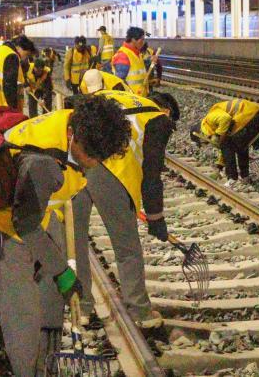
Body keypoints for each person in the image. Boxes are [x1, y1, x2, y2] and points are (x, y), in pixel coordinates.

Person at [0, 96, 131, 376]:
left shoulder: (75, 125)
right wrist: (62, 272)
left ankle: (46, 356)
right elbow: (26, 225)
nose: (95, 163)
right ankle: (27, 369)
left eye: (101, 157)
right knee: (22, 312)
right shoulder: (43, 163)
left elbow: (44, 201)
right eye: (91, 156)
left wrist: (57, 268)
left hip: (28, 204)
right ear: (74, 136)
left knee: (51, 290)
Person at [72, 85, 180, 325]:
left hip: (74, 160)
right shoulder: (157, 118)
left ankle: (82, 309)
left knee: (75, 241)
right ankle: (141, 312)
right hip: (111, 171)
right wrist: (156, 218)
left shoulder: (119, 96)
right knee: (127, 248)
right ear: (166, 111)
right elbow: (152, 175)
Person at [190, 99, 259, 186]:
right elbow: (225, 146)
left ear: (201, 134)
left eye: (203, 142)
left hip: (251, 117)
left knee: (229, 144)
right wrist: (219, 166)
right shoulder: (215, 126)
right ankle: (245, 177)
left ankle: (232, 178)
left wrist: (218, 135)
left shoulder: (209, 118)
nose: (207, 143)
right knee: (240, 146)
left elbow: (225, 118)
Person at [111, 27, 155, 97]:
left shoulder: (136, 53)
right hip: (132, 99)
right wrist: (131, 97)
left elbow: (137, 67)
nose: (143, 42)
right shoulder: (123, 55)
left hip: (140, 97)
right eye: (142, 39)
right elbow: (120, 83)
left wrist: (150, 60)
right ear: (133, 39)